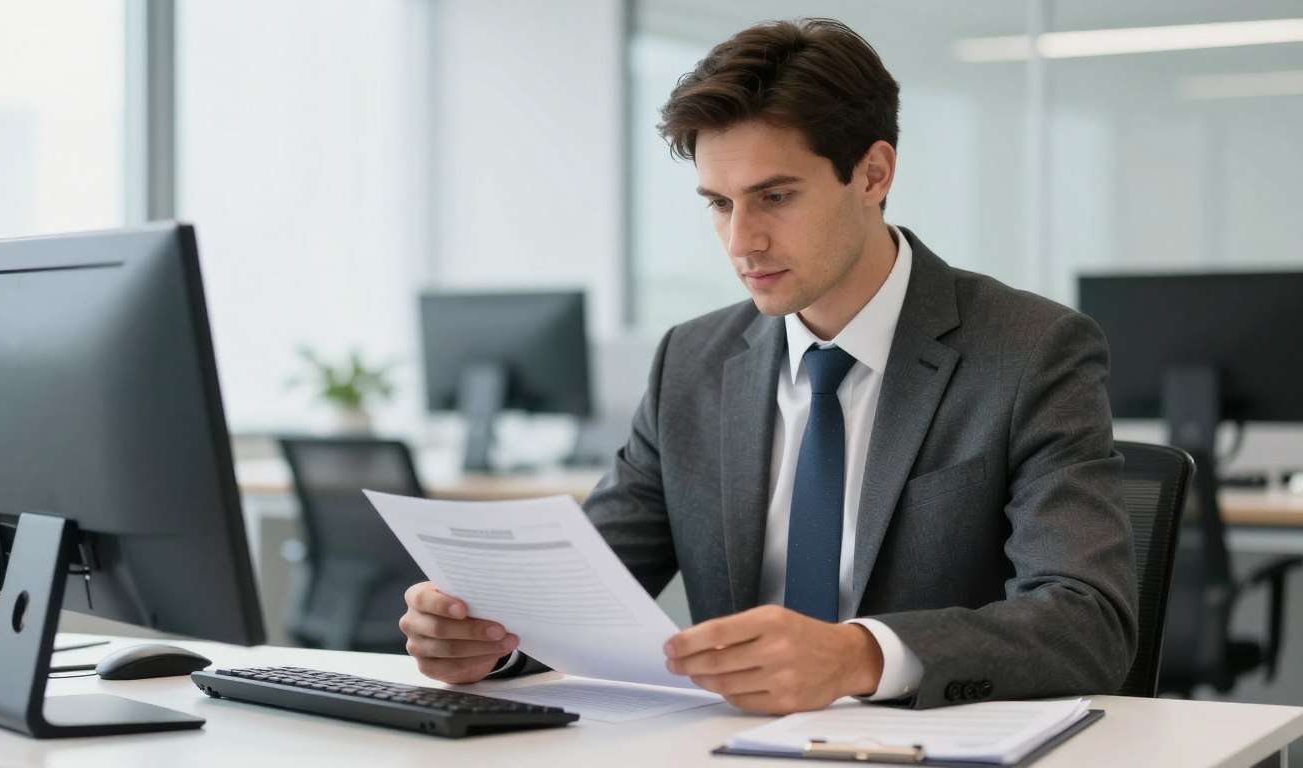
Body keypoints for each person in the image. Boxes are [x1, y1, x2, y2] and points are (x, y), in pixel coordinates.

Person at [400, 17, 1137, 713]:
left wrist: (858, 657)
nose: (741, 240)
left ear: (874, 173)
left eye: (775, 197)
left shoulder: (1030, 350)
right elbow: (582, 597)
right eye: (718, 203)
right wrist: (487, 641)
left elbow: (1088, 621)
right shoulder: (691, 362)